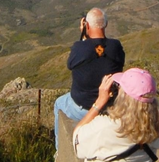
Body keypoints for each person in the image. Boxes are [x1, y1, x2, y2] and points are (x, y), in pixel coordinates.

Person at [53, 8, 125, 147]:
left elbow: (71, 64)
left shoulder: (79, 48)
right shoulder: (116, 46)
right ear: (106, 24)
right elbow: (100, 52)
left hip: (83, 108)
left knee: (59, 103)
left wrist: (83, 36)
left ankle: (59, 150)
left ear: (86, 25)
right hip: (109, 107)